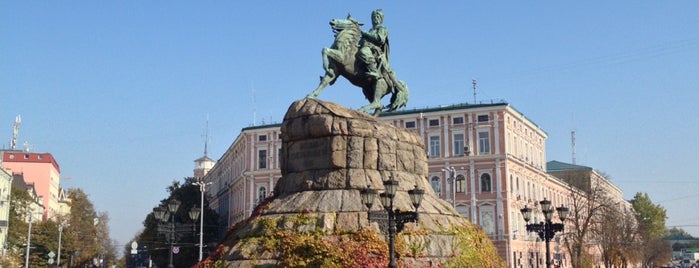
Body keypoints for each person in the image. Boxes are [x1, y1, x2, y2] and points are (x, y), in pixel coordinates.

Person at [359, 9, 389, 80]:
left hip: (375, 50)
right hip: (366, 46)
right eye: (374, 17)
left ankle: (374, 70)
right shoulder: (370, 30)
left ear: (381, 19)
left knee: (364, 51)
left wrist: (366, 34)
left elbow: (380, 39)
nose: (375, 18)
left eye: (378, 17)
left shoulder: (382, 28)